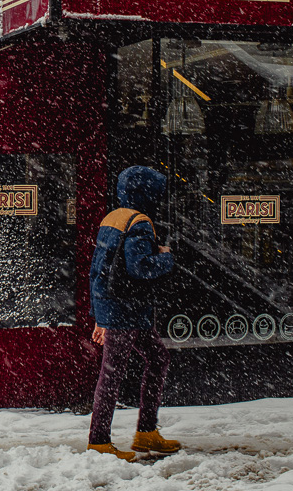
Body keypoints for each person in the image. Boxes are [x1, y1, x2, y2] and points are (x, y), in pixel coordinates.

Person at [87, 165, 181, 461]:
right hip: (125, 310)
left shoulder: (113, 218)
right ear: (146, 194)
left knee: (157, 359)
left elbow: (97, 271)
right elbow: (139, 267)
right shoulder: (139, 223)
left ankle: (146, 432)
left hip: (123, 309)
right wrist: (166, 258)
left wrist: (99, 315)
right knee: (112, 375)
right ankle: (99, 441)